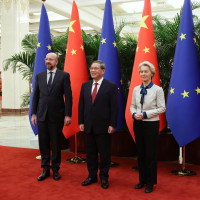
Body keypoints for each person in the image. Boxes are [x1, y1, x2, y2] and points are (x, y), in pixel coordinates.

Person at [31, 52, 72, 181]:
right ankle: (45, 169)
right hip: (42, 116)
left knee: (55, 144)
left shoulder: (64, 76)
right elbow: (36, 96)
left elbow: (69, 97)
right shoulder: (39, 76)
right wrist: (33, 113)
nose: (48, 61)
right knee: (43, 144)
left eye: (51, 59)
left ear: (56, 62)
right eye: (46, 59)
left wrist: (67, 114)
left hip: (57, 116)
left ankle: (55, 169)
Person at [78, 60, 119, 189]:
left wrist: (112, 124)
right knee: (90, 153)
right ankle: (92, 176)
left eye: (96, 68)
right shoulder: (85, 85)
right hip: (88, 126)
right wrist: (81, 121)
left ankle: (104, 177)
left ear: (103, 70)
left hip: (104, 127)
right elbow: (81, 106)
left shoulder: (111, 86)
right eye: (91, 68)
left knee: (105, 154)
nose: (93, 70)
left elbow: (115, 108)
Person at [130, 61, 165, 193]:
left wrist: (145, 114)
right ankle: (142, 180)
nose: (143, 73)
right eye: (141, 71)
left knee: (150, 154)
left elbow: (162, 108)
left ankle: (150, 183)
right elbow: (132, 105)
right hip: (138, 124)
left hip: (151, 124)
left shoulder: (158, 89)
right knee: (141, 153)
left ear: (152, 73)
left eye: (146, 71)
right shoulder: (135, 89)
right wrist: (134, 114)